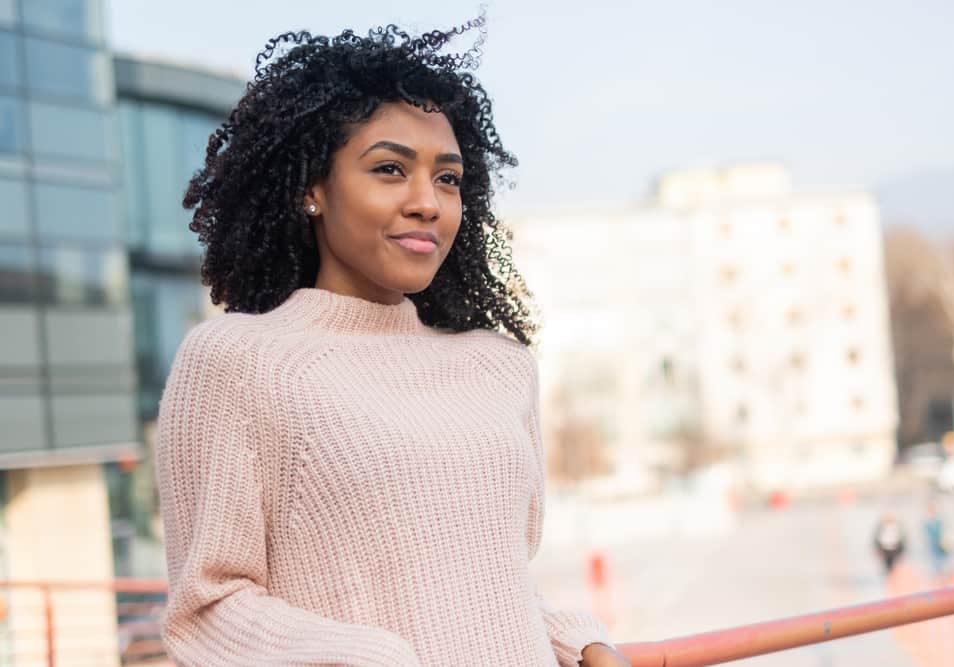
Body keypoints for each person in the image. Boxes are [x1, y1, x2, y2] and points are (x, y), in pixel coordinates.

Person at [154, 16, 630, 667]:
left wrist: (575, 637)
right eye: (389, 169)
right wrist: (373, 656)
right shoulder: (237, 361)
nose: (427, 202)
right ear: (311, 189)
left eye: (448, 178)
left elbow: (490, 580)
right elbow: (206, 612)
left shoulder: (501, 366)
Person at [923, 500, 949, 575]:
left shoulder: (939, 520)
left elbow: (943, 532)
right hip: (932, 545)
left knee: (941, 562)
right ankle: (937, 575)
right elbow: (926, 534)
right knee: (934, 562)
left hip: (940, 544)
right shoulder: (927, 521)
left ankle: (941, 574)